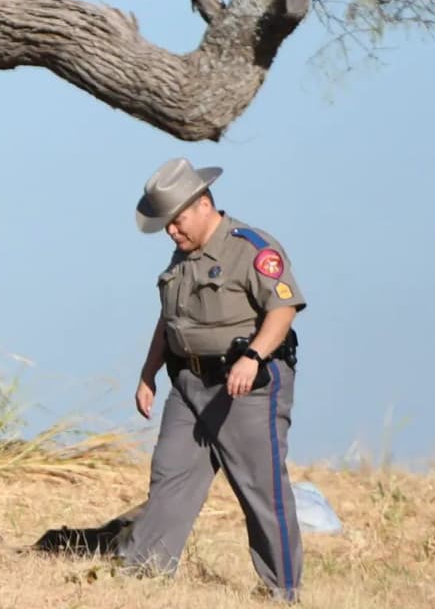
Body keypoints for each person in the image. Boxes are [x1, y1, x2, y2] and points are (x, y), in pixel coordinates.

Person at [117, 157, 306, 603]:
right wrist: (148, 374)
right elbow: (170, 320)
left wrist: (254, 357)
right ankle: (144, 574)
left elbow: (284, 309)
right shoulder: (182, 257)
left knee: (260, 486)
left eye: (177, 221)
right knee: (170, 475)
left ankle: (282, 589)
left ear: (203, 204)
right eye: (166, 225)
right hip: (188, 385)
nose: (171, 232)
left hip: (246, 386)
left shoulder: (252, 247)